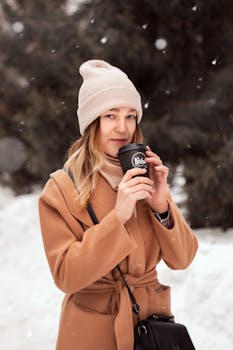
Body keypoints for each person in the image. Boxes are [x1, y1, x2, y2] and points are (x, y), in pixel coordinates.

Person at [38, 59, 198, 350]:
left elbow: (183, 258)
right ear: (92, 123)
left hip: (150, 327)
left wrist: (161, 207)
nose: (122, 128)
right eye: (110, 115)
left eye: (130, 116)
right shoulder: (61, 189)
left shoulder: (144, 176)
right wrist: (119, 215)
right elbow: (66, 275)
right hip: (92, 333)